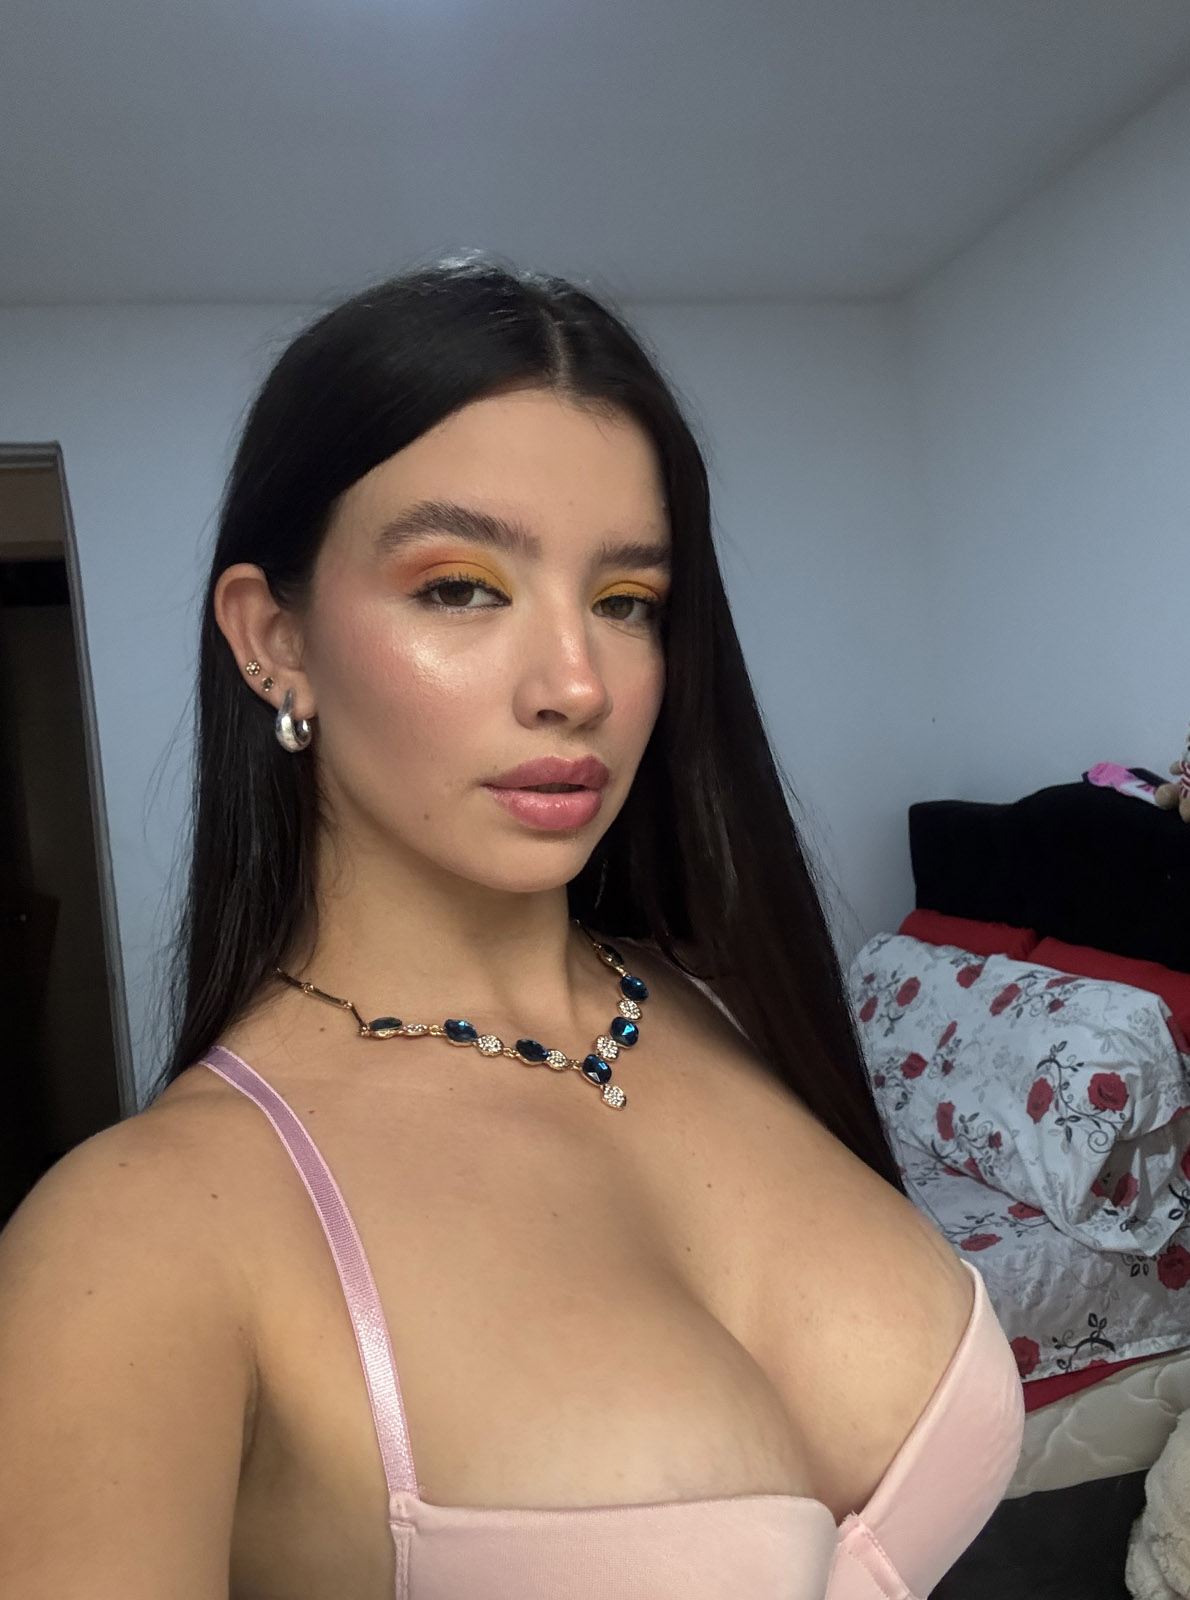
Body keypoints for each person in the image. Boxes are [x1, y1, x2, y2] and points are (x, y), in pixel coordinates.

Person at [0, 255, 1023, 1598]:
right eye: (460, 586)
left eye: (626, 602)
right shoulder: (133, 1248)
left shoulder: (721, 998)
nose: (576, 684)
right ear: (274, 641)